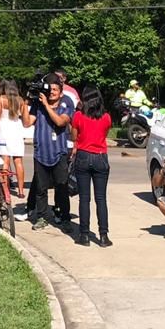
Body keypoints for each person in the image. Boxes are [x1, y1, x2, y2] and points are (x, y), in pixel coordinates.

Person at [25, 74, 73, 231]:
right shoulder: (38, 104)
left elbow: (60, 121)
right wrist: (26, 102)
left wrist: (46, 105)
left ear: (61, 92)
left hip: (59, 152)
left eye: (55, 89)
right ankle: (41, 217)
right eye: (50, 89)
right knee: (40, 189)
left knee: (61, 187)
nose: (52, 92)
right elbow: (27, 122)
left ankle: (65, 218)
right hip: (41, 153)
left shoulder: (66, 103)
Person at [70, 85, 112, 247]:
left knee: (84, 198)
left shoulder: (78, 116)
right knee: (101, 199)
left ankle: (84, 235)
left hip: (83, 155)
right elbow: (104, 134)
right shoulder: (106, 117)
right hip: (100, 156)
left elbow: (74, 136)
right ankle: (103, 236)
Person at [0, 80, 28, 201]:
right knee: (18, 161)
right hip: (17, 130)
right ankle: (20, 190)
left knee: (5, 160)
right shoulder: (21, 100)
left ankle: (5, 188)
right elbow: (24, 118)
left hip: (4, 130)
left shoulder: (1, 99)